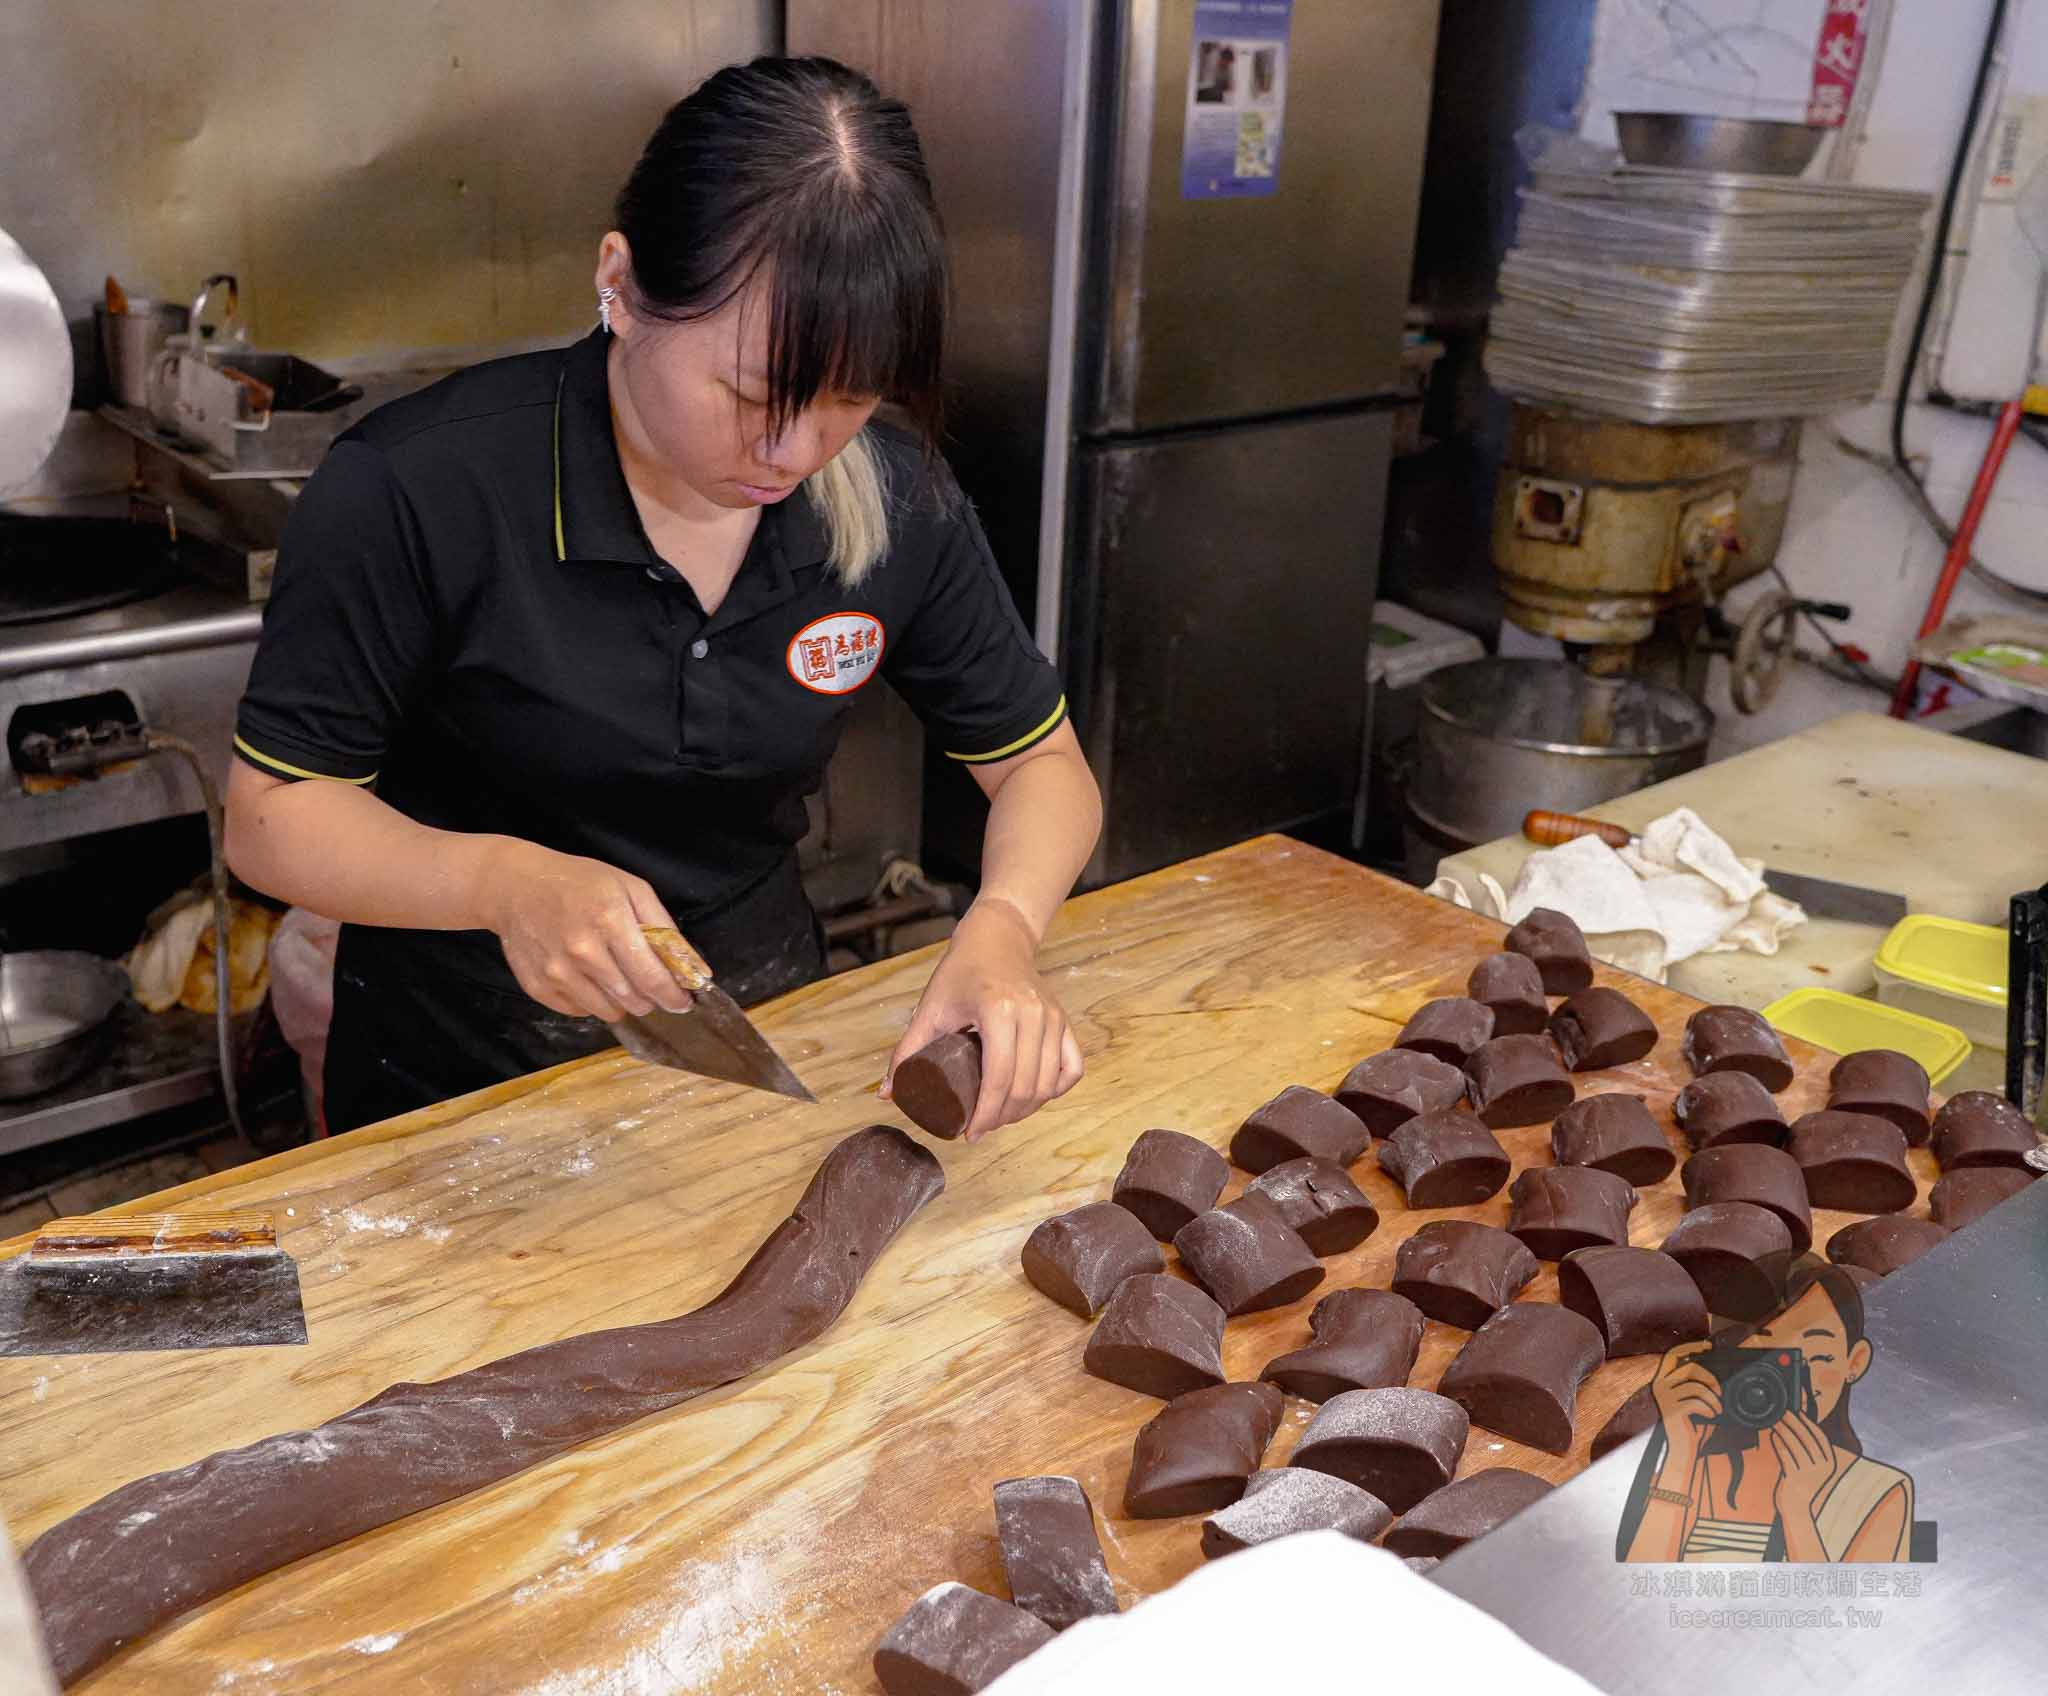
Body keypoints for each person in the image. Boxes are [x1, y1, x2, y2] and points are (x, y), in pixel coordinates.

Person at [225, 57, 1102, 1137]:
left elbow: (1040, 767)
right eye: (747, 393)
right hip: (457, 1076)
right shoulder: (416, 489)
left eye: (845, 398)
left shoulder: (892, 491)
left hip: (756, 1038)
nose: (791, 451)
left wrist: (1002, 928)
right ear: (620, 284)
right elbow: (272, 820)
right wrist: (503, 884)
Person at [1618, 1262, 1914, 1562]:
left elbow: (1847, 1609)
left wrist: (1798, 1511)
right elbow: (1635, 1590)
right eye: (1771, 1355)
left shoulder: (1878, 1492)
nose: (1795, 1381)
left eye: (1819, 1355)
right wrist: (1680, 1453)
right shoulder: (1690, 1464)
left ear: (1855, 1361)